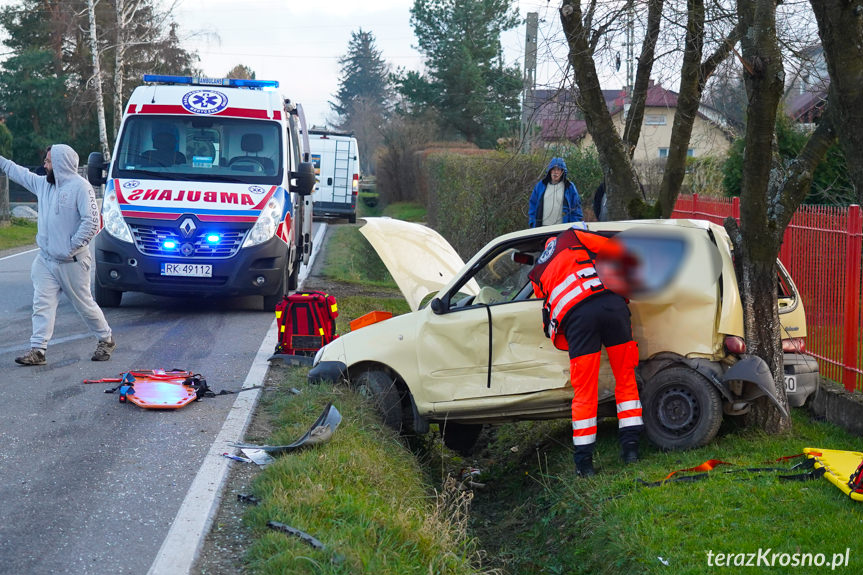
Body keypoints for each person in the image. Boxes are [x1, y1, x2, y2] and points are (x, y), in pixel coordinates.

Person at [528, 222, 643, 477]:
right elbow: (614, 248)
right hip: (612, 305)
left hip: (578, 319)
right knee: (625, 378)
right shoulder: (573, 236)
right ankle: (631, 451)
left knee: (585, 392)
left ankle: (584, 464)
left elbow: (544, 301)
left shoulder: (537, 272)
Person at [0, 145, 116, 366]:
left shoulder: (81, 188)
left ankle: (106, 339)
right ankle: (38, 350)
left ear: (61, 163)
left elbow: (92, 222)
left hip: (73, 262)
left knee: (84, 305)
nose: (44, 165)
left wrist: (70, 247)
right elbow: (18, 172)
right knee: (42, 303)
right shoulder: (43, 184)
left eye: (48, 161)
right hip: (46, 260)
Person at [528, 157, 583, 228]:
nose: (555, 172)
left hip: (562, 229)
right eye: (553, 169)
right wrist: (532, 223)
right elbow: (532, 205)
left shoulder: (569, 187)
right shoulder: (540, 186)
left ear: (562, 171)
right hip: (542, 229)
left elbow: (576, 209)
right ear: (550, 171)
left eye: (558, 169)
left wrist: (574, 226)